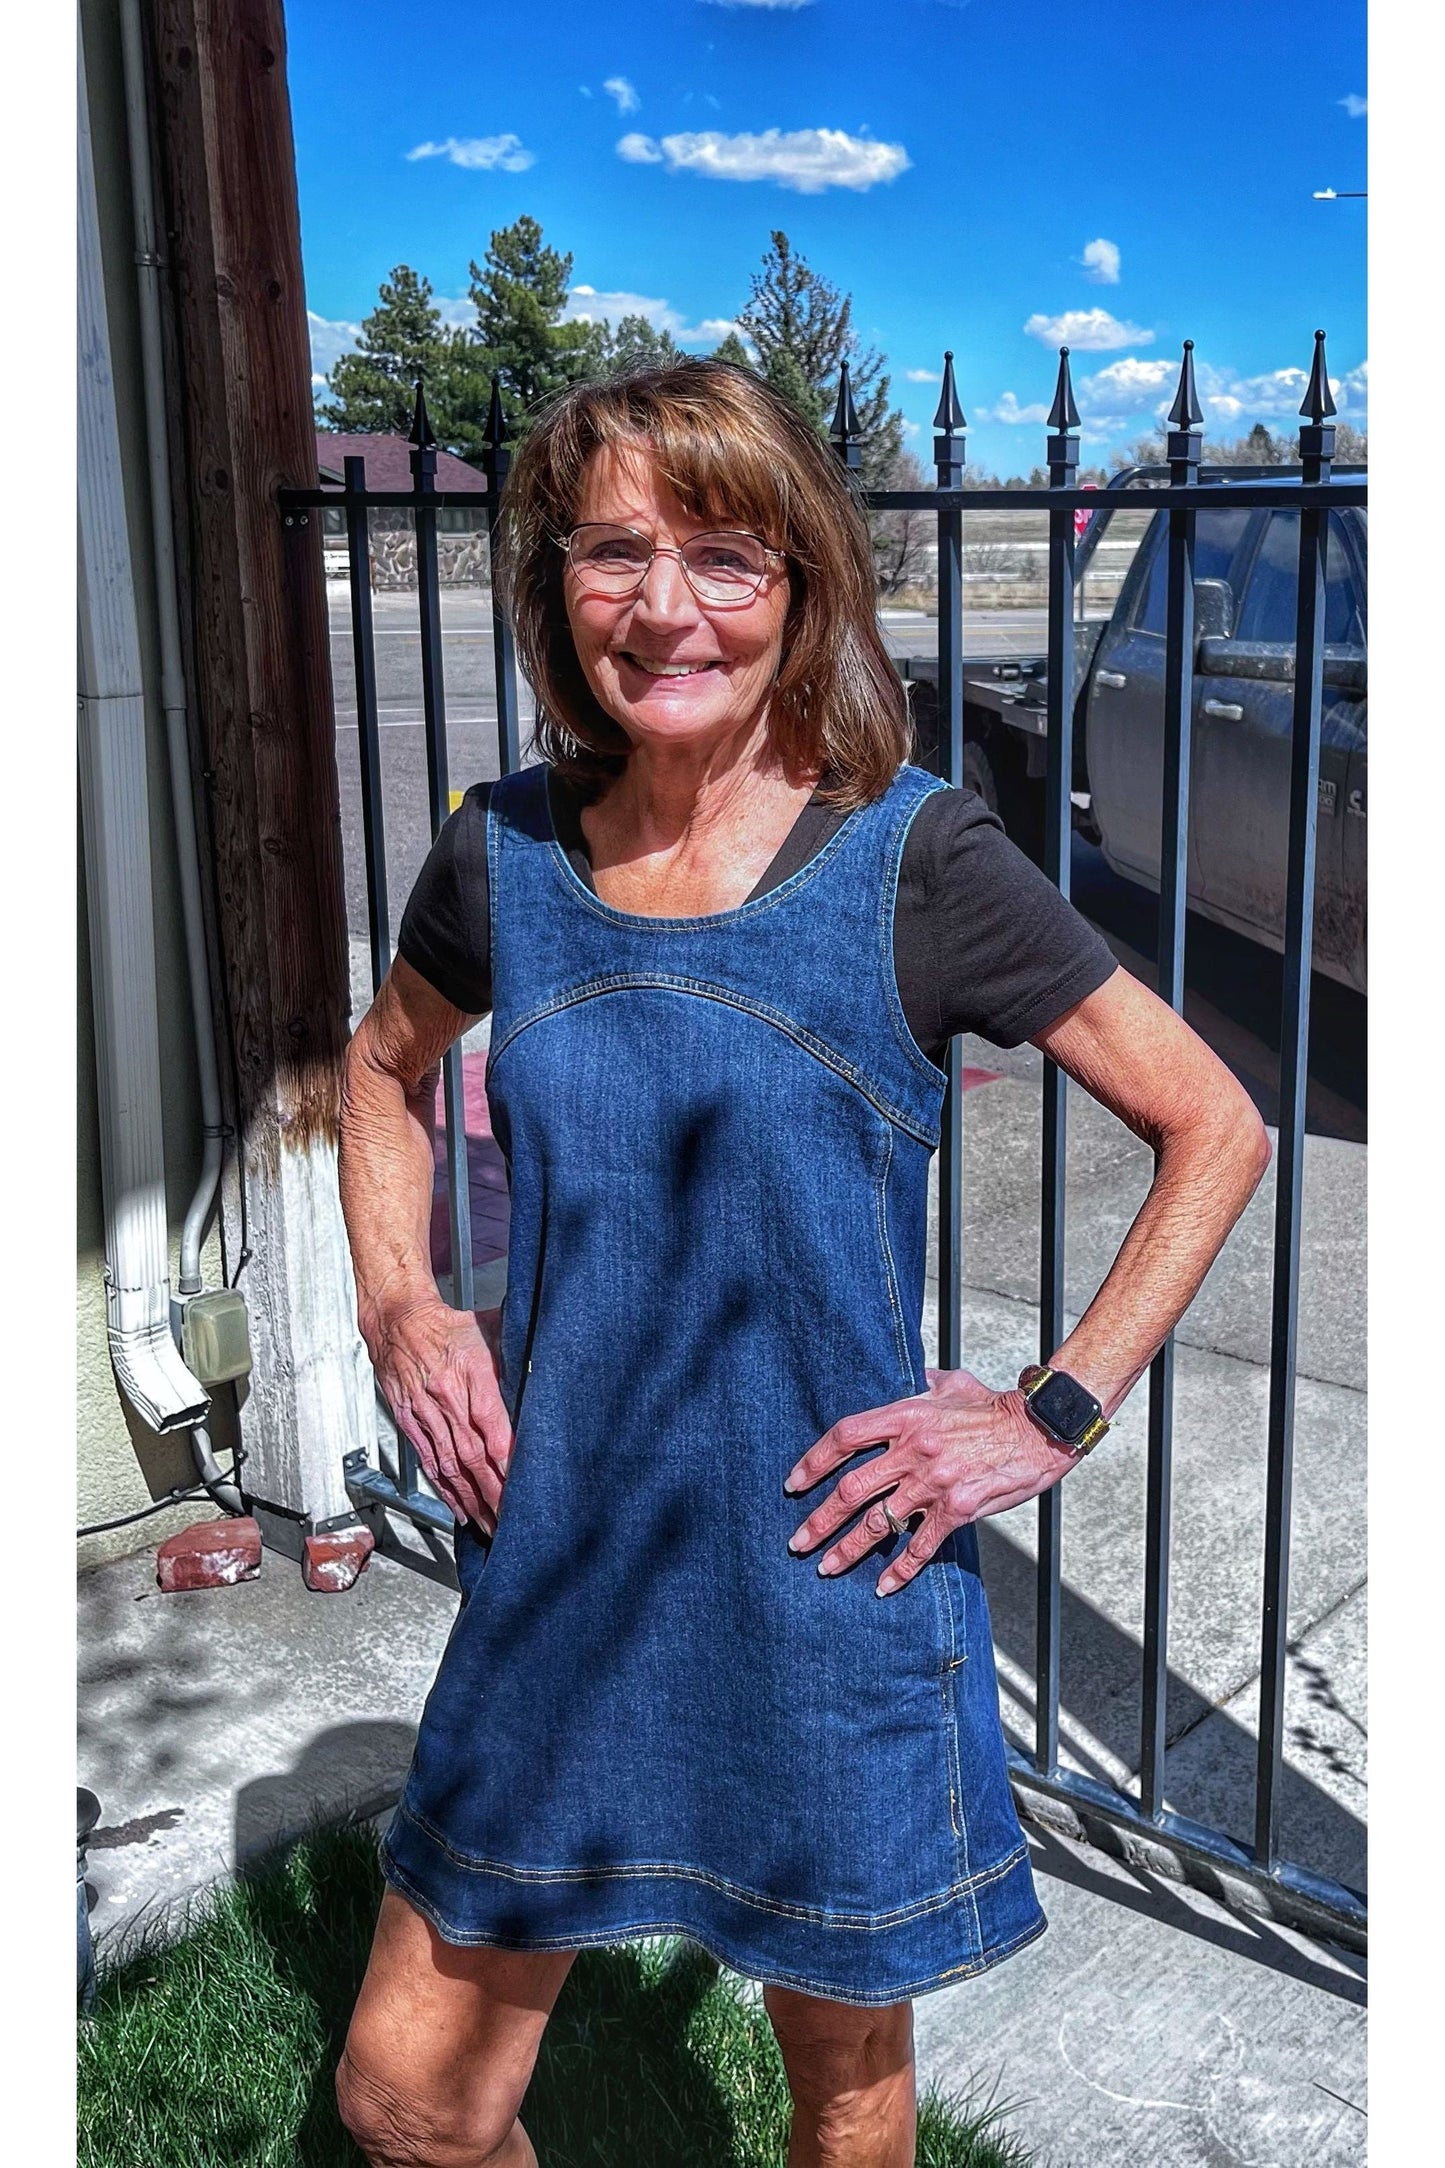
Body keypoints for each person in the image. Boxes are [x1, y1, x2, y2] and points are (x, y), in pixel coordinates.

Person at [334, 359, 1270, 2168]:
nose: (663, 607)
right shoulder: (498, 857)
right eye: (612, 553)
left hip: (826, 1573)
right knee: (409, 2100)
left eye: (723, 557)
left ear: (802, 586)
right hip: (561, 1565)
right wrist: (404, 1302)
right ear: (554, 588)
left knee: (840, 2096)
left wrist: (1047, 1412)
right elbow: (379, 1073)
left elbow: (1212, 1125)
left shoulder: (916, 861)